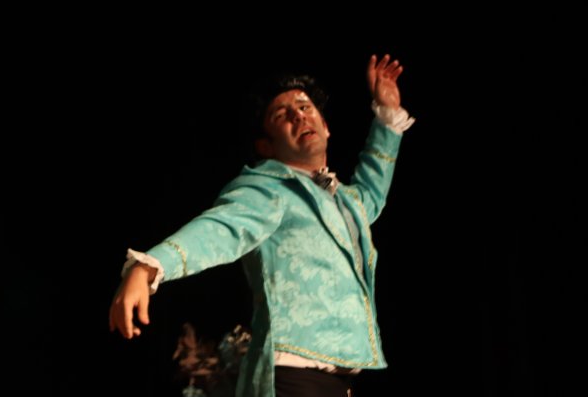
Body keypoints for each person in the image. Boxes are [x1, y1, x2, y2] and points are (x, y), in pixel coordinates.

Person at [109, 56, 414, 397]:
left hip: (337, 379)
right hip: (293, 373)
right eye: (281, 115)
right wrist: (149, 267)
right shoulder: (269, 188)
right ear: (266, 147)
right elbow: (221, 228)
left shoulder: (344, 201)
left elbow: (371, 192)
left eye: (305, 107)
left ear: (326, 126)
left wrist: (387, 117)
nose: (299, 115)